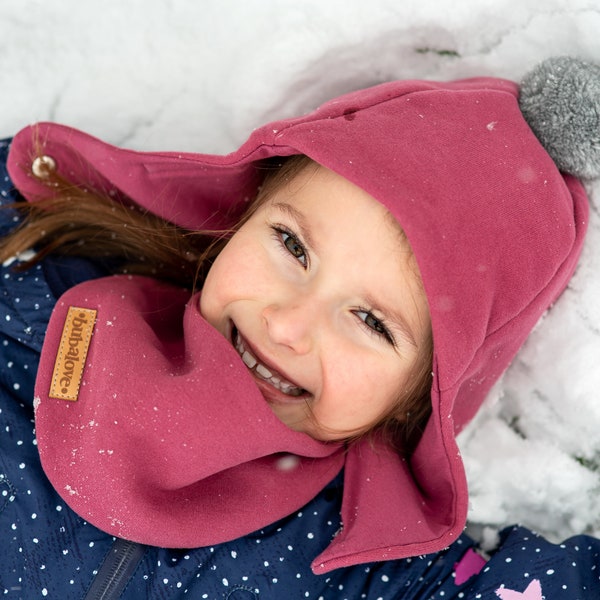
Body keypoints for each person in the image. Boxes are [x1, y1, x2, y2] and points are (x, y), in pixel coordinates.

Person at [0, 56, 599, 599]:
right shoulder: (27, 291)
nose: (286, 325)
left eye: (371, 321)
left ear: (421, 394)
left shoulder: (365, 566)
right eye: (292, 245)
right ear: (245, 212)